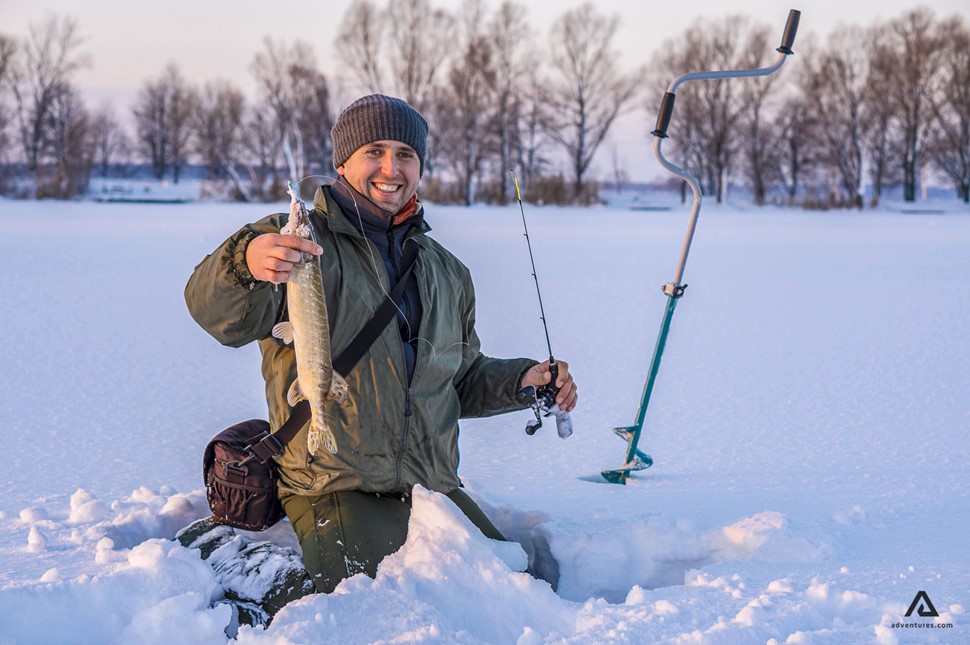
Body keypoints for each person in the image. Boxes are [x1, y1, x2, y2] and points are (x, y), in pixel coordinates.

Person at [185, 94, 577, 596]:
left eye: (406, 154)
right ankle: (233, 559)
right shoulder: (296, 242)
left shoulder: (447, 271)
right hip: (334, 481)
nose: (391, 168)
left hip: (429, 487)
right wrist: (246, 261)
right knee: (375, 606)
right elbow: (214, 313)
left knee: (516, 591)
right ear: (342, 162)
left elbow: (457, 379)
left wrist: (524, 380)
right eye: (374, 150)